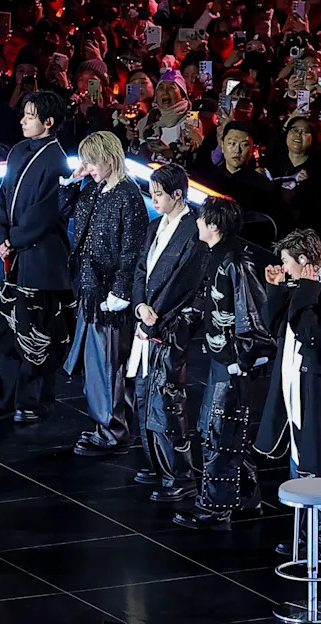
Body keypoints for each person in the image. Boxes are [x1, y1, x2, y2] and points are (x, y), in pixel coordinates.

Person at [174, 196, 276, 531]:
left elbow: (249, 312)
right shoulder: (216, 256)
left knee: (221, 432)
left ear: (214, 225)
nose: (197, 223)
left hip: (232, 362)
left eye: (202, 219)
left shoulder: (233, 260)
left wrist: (240, 358)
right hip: (224, 358)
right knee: (229, 430)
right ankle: (246, 498)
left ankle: (215, 510)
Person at [0, 90, 75, 422]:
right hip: (16, 255)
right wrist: (2, 236)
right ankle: (3, 392)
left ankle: (33, 400)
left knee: (38, 332)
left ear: (48, 122)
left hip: (41, 259)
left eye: (29, 116)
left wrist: (13, 240)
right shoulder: (18, 151)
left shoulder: (57, 161)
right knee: (8, 326)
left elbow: (44, 215)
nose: (22, 121)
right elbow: (3, 199)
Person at [255, 229, 321, 557]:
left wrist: (306, 289)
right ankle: (305, 535)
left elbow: (310, 333)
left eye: (285, 262)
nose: (282, 267)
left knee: (319, 460)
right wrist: (278, 290)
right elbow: (275, 325)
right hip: (295, 386)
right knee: (300, 459)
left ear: (302, 261)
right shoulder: (304, 287)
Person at [60, 131, 148, 456]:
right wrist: (72, 180)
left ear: (109, 159)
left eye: (92, 161)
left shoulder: (128, 196)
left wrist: (121, 291)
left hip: (110, 296)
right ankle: (108, 426)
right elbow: (62, 210)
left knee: (109, 365)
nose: (89, 167)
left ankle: (114, 432)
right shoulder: (94, 189)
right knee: (98, 365)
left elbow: (132, 250)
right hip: (89, 288)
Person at [128, 163, 207, 501]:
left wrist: (153, 315)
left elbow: (183, 282)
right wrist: (139, 305)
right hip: (148, 319)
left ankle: (181, 474)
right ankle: (155, 463)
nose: (153, 198)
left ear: (178, 194)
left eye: (159, 193)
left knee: (166, 399)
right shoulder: (155, 225)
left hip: (171, 325)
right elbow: (141, 269)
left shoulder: (194, 230)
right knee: (144, 393)